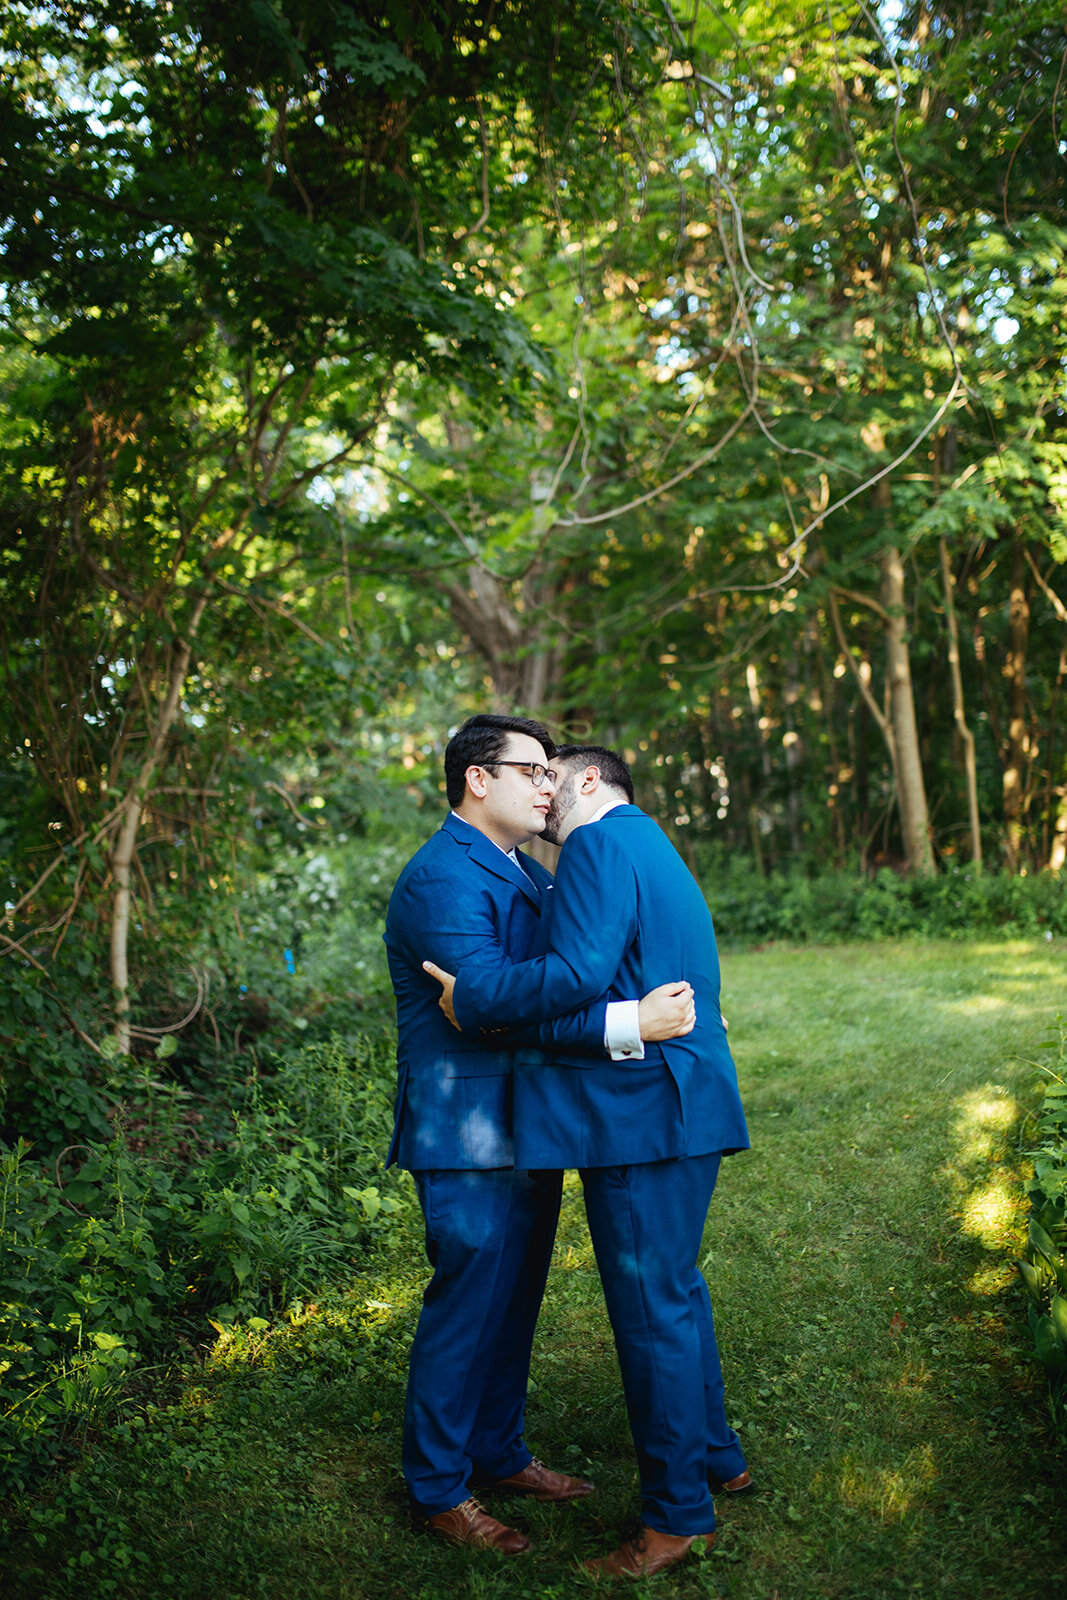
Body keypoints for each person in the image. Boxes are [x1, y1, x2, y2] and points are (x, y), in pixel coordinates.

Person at [423, 743, 751, 1579]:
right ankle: (716, 1455)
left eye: (550, 776)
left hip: (642, 1119)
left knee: (651, 1316)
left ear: (589, 782)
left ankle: (676, 1519)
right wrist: (629, 1019)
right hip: (680, 1104)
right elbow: (617, 983)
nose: (541, 791)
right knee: (674, 1294)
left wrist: (474, 1001)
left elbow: (575, 973)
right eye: (526, 775)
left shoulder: (600, 843)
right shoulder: (650, 842)